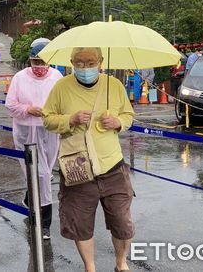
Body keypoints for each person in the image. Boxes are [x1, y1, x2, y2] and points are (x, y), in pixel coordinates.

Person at [42, 47, 135, 272]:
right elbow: (47, 119)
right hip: (77, 168)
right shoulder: (61, 87)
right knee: (80, 223)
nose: (85, 68)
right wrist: (70, 119)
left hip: (112, 165)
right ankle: (90, 266)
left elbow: (128, 114)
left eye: (90, 62)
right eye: (79, 63)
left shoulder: (114, 85)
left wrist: (118, 123)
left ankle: (121, 262)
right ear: (72, 62)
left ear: (101, 62)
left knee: (122, 223)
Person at [5, 38, 63, 240]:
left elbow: (63, 104)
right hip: (25, 132)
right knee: (38, 173)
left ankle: (36, 208)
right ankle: (40, 220)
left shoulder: (57, 77)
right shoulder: (20, 78)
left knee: (44, 172)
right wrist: (28, 109)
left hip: (48, 131)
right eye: (35, 62)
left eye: (43, 62)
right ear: (30, 60)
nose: (39, 67)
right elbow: (10, 104)